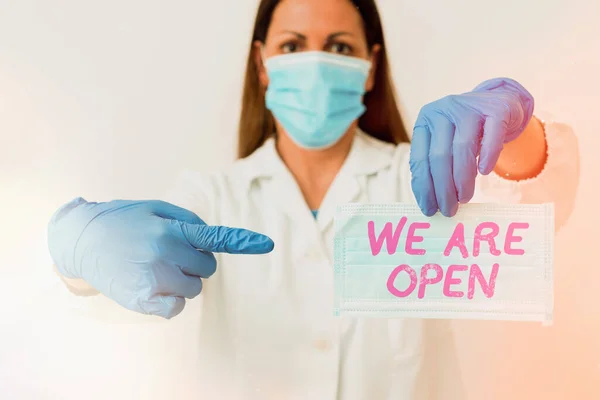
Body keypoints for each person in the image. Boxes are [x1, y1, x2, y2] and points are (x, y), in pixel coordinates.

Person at [47, 0, 578, 398]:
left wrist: (514, 132)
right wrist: (78, 251)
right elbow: (118, 296)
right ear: (262, 63)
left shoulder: (426, 180)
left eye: (341, 47)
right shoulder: (210, 195)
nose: (316, 62)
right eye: (292, 45)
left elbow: (539, 207)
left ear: (370, 66)